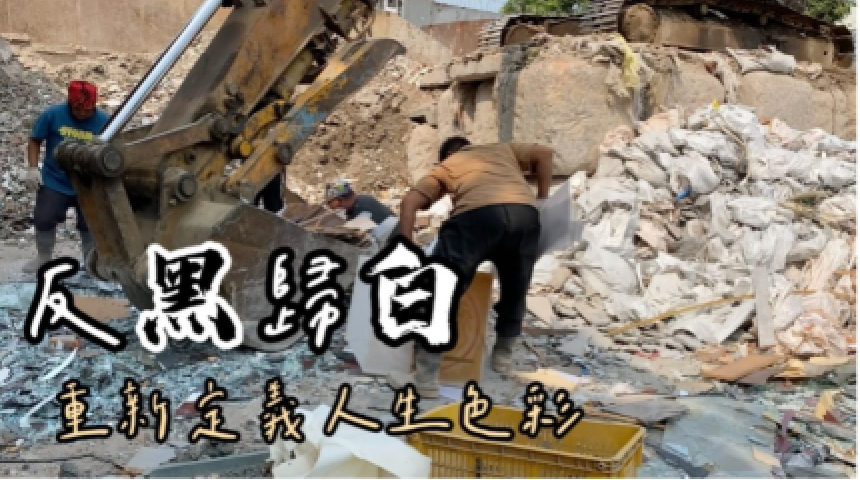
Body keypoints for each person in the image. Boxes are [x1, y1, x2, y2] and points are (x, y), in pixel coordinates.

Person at [396, 136, 554, 398]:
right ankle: (502, 358)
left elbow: (409, 203)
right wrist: (543, 199)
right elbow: (545, 153)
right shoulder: (502, 149)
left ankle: (425, 380)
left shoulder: (448, 166)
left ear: (447, 156)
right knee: (515, 286)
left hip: (475, 220)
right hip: (524, 216)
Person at [23, 80, 110, 274]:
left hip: (88, 183)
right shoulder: (53, 115)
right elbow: (35, 140)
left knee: (90, 223)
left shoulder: (104, 121)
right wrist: (32, 168)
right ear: (70, 103)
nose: (82, 114)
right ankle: (43, 257)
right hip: (55, 179)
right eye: (77, 110)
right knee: (44, 218)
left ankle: (91, 261)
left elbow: (112, 149)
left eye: (87, 110)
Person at [325, 180, 396, 225]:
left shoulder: (361, 211)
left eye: (335, 205)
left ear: (341, 199)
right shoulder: (362, 199)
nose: (336, 209)